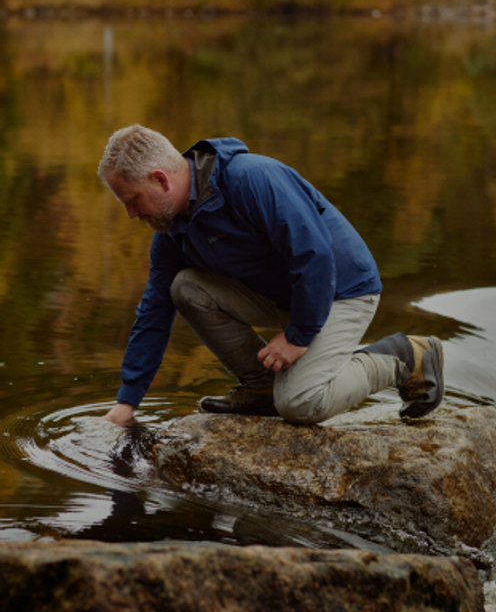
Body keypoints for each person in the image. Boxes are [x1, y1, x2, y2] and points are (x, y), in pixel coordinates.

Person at [97, 124, 444, 427]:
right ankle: (261, 386)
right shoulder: (173, 232)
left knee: (301, 403)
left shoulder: (251, 178)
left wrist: (298, 337)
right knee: (184, 288)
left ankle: (406, 355)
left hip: (342, 288)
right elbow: (153, 311)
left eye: (133, 200)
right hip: (287, 295)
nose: (130, 214)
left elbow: (316, 255)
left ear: (160, 179)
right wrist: (127, 403)